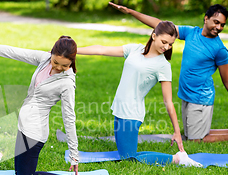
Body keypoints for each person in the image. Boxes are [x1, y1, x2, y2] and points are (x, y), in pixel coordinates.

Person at [0, 36, 88, 175]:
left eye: (64, 66)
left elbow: (69, 118)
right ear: (51, 53)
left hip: (35, 132)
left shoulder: (67, 84)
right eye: (55, 62)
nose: (57, 68)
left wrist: (74, 155)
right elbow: (12, 52)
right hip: (23, 126)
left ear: (72, 62)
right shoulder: (44, 59)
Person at [110, 2, 228, 142]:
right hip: (186, 94)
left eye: (222, 25)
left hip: (201, 98)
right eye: (216, 22)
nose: (219, 27)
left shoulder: (219, 49)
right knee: (192, 134)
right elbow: (160, 26)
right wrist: (131, 12)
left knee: (196, 139)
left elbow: (227, 81)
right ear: (206, 19)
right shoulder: (191, 33)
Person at [78, 21, 201, 167]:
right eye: (164, 42)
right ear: (154, 35)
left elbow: (168, 101)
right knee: (126, 154)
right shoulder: (135, 49)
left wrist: (177, 131)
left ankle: (177, 159)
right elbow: (102, 50)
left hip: (131, 113)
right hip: (119, 108)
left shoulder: (163, 65)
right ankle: (177, 158)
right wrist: (73, 50)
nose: (166, 47)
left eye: (170, 44)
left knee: (129, 159)